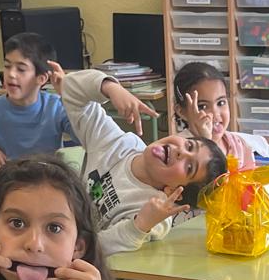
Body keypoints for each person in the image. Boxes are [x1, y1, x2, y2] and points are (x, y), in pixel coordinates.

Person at [57, 64, 224, 256]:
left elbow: (98, 248)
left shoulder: (155, 213)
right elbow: (70, 88)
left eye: (189, 167)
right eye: (189, 145)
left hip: (78, 263)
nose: (181, 153)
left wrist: (139, 226)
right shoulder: (117, 144)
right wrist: (110, 87)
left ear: (174, 192)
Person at [0, 32, 74, 170]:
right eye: (7, 66)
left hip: (48, 177)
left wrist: (68, 95)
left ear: (41, 78)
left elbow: (83, 137)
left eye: (21, 69)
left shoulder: (56, 106)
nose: (11, 74)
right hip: (9, 178)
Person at [171, 59, 269, 171]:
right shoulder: (179, 152)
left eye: (221, 103)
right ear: (182, 112)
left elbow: (250, 179)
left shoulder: (239, 145)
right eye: (202, 106)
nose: (215, 114)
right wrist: (206, 141)